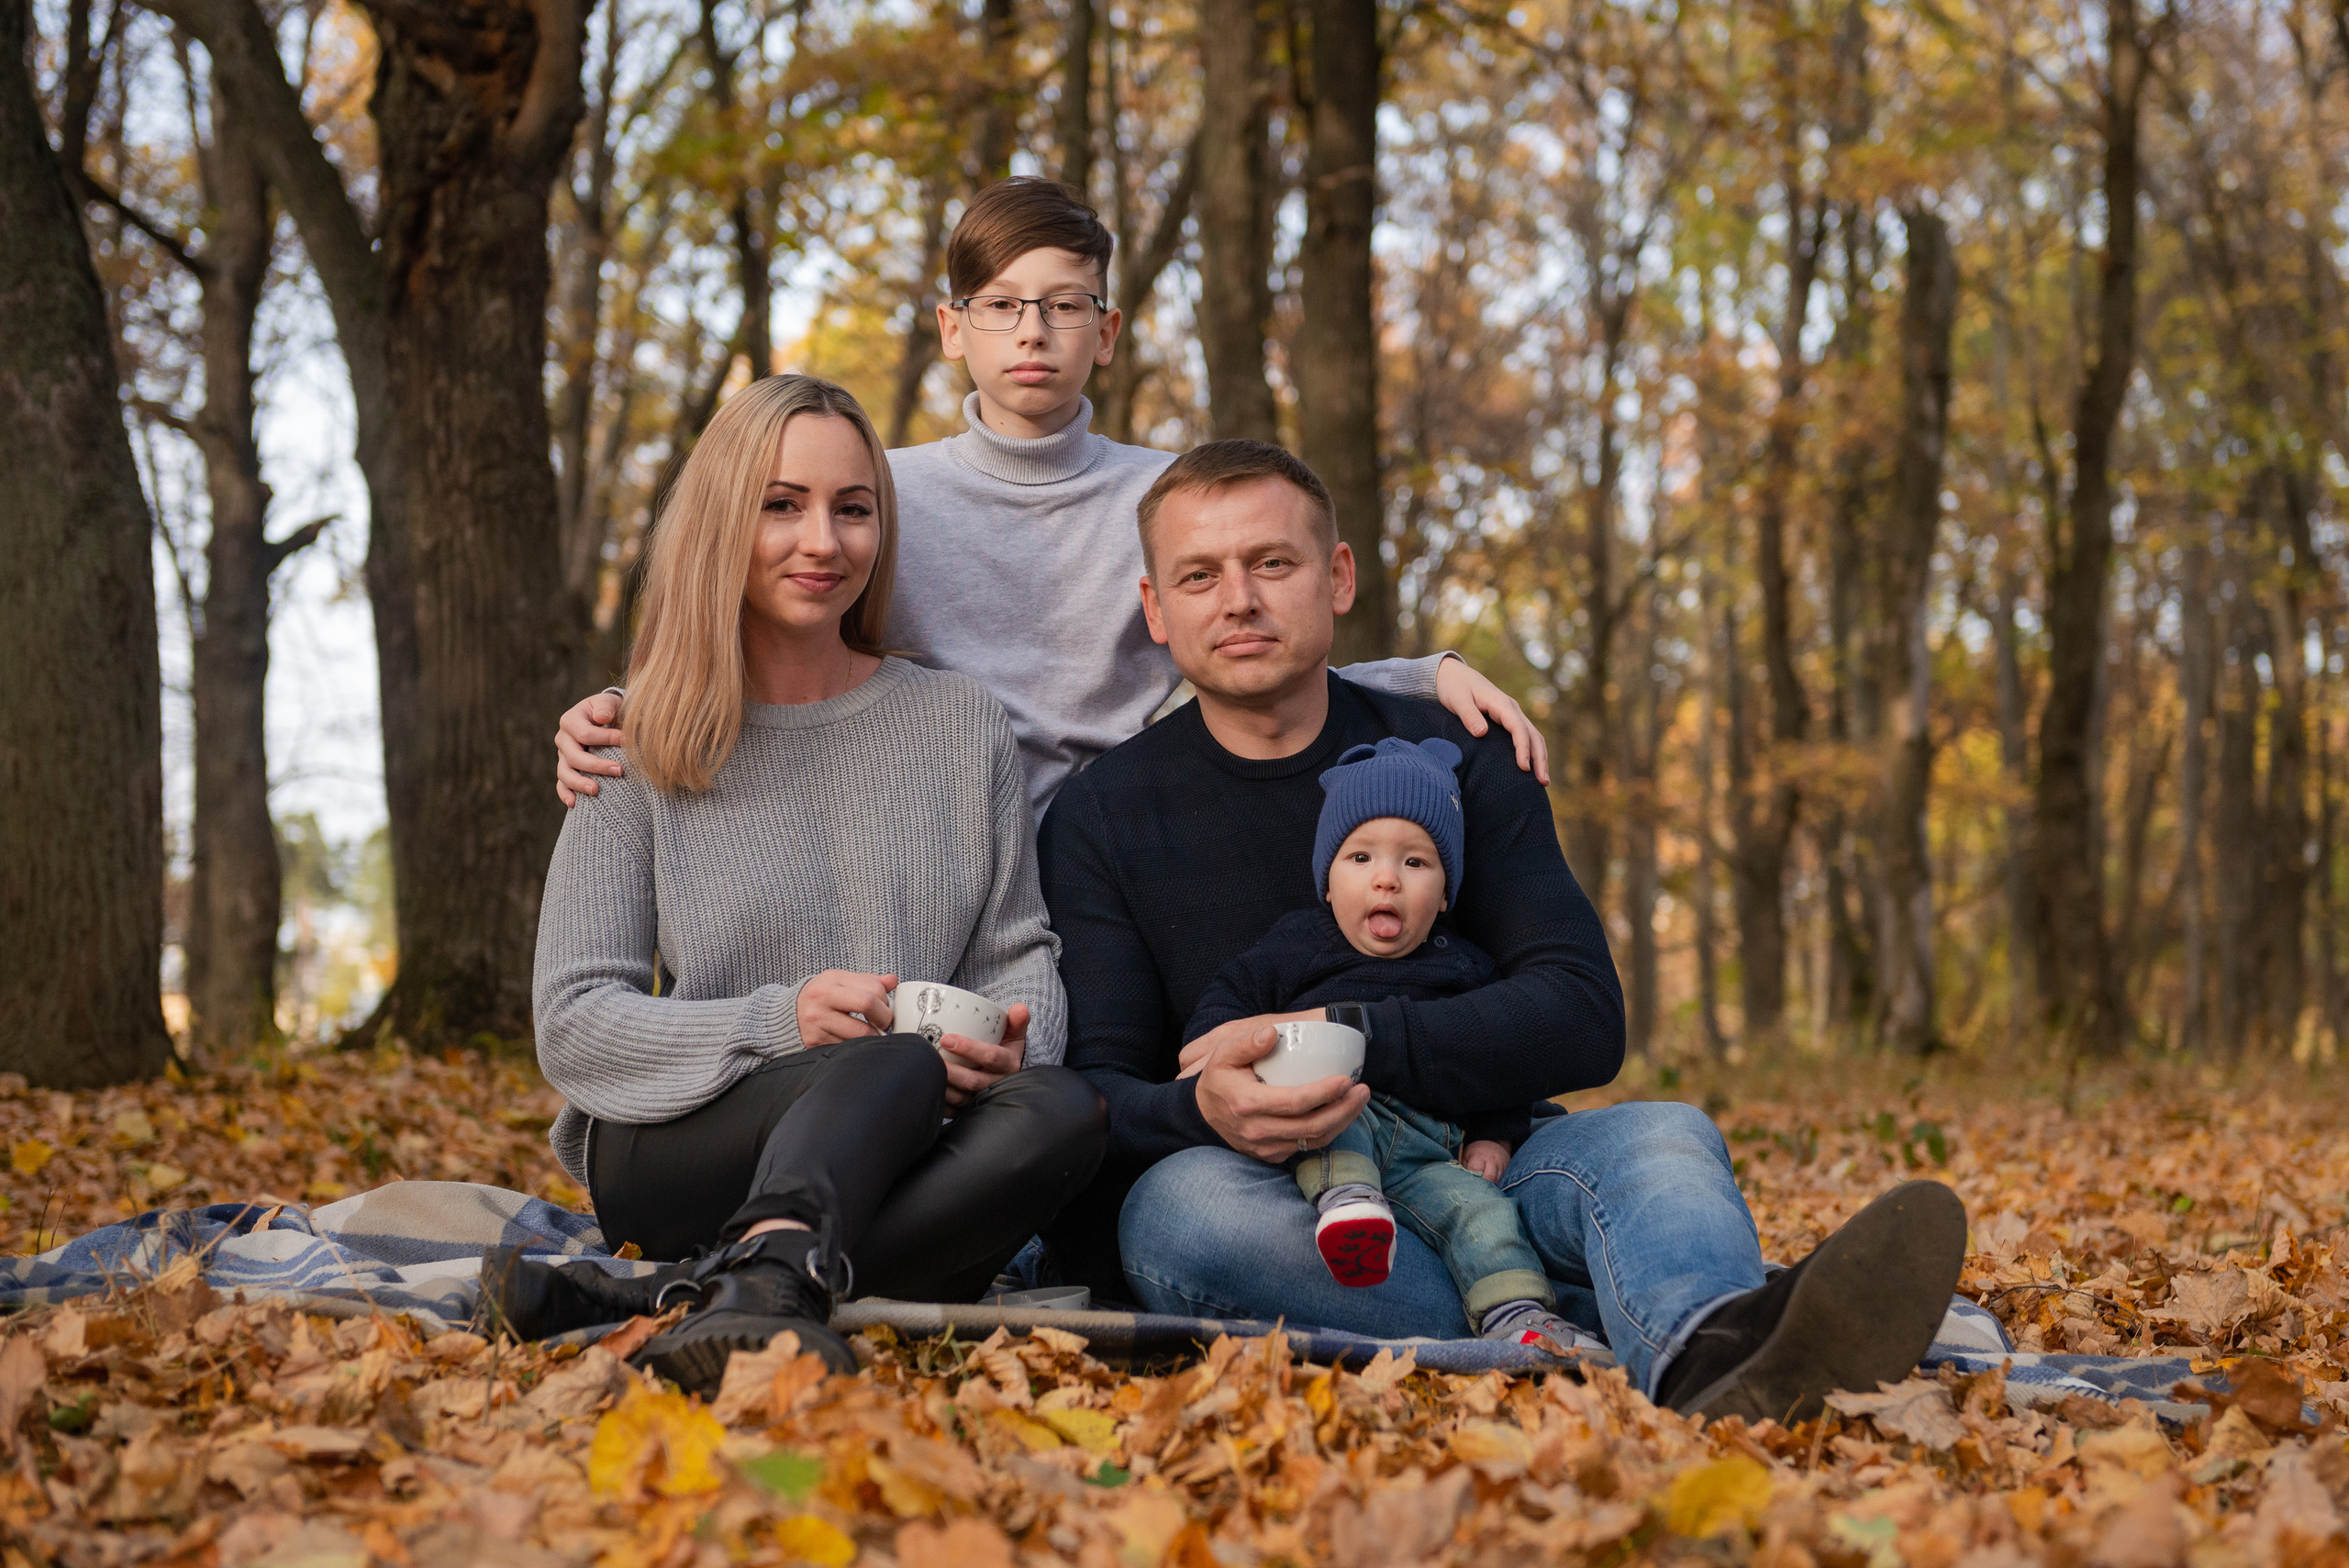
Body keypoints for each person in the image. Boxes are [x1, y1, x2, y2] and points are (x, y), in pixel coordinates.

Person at [1039, 437, 1968, 1421]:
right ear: (1156, 608)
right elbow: (1100, 1090)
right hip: (1285, 1193)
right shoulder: (1102, 813)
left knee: (1664, 1134)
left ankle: (1703, 1343)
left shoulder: (1455, 755)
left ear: (1337, 576)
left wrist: (1354, 1032)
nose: (1239, 599)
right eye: (1199, 575)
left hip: (1488, 1157)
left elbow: (1582, 1012)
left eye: (1272, 562)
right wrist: (1204, 1113)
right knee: (1181, 1217)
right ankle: (1647, 1321)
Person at [551, 177, 1549, 817]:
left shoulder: (1165, 496)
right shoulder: (874, 496)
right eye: (1000, 305)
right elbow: (779, 633)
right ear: (953, 328)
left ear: (1105, 333)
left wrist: (1426, 675)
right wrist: (627, 705)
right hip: (928, 838)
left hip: (1129, 837)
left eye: (1065, 304)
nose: (1032, 331)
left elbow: (1256, 653)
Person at [518, 373, 1106, 1396]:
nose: (823, 541)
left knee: (1065, 1110)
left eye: (853, 508)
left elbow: (1018, 952)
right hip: (682, 1141)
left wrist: (1010, 1045)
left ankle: (740, 1285)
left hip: (912, 1136)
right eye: (781, 505)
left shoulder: (960, 724)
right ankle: (763, 1263)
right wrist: (782, 1021)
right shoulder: (630, 738)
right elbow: (572, 1022)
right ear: (720, 520)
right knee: (889, 1060)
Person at [1182, 735, 1583, 1351]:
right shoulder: (1295, 945)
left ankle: (1520, 1316)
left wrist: (1494, 1136)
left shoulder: (1465, 968)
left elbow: (1500, 1061)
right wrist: (1209, 1053)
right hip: (1331, 1119)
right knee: (1335, 1109)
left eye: (1415, 863)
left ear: (1445, 893)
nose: (1386, 880)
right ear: (1327, 881)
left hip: (1430, 1151)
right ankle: (1351, 1207)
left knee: (1482, 1213)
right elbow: (1228, 1003)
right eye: (1361, 857)